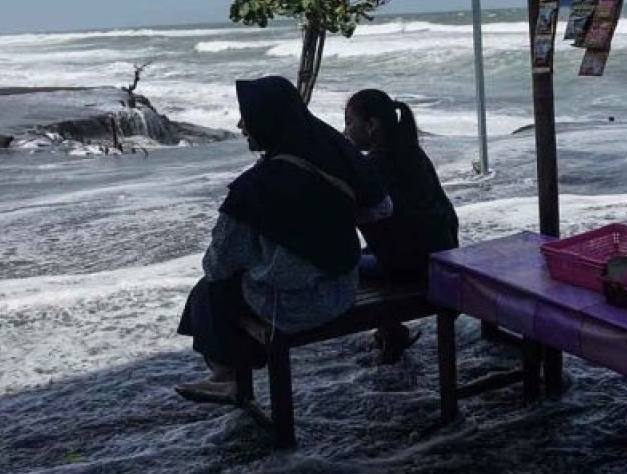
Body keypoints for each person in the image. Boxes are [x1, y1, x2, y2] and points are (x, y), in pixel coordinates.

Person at [176, 76, 390, 400]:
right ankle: (239, 357)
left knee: (209, 290)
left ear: (266, 119)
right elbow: (381, 208)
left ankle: (227, 376)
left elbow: (217, 264)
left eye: (246, 117)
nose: (240, 125)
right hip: (344, 286)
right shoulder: (333, 148)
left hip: (293, 307)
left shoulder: (254, 189)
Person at [344, 89, 459, 363]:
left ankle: (391, 331)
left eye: (350, 122)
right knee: (363, 255)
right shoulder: (412, 153)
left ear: (371, 125)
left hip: (412, 266)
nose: (345, 130)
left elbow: (351, 211)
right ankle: (391, 331)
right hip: (442, 252)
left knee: (343, 263)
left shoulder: (374, 165)